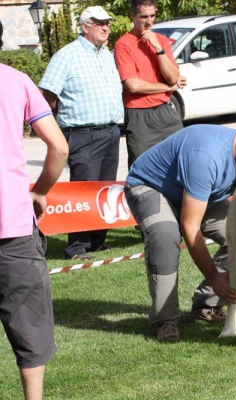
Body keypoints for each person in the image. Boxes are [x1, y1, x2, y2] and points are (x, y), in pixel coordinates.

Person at [124, 124, 236, 342]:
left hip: (201, 196)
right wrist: (214, 276)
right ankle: (166, 320)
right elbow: (190, 226)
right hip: (151, 187)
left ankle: (206, 306)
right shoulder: (206, 157)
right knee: (165, 235)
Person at [0, 20, 69, 399]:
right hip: (12, 221)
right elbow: (59, 147)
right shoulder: (17, 81)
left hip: (13, 222)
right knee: (28, 325)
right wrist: (40, 190)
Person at [38, 6, 123, 260]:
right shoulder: (67, 56)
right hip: (83, 134)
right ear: (85, 26)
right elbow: (47, 96)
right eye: (99, 23)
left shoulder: (106, 54)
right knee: (82, 190)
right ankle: (76, 246)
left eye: (107, 22)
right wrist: (52, 128)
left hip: (110, 131)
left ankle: (97, 241)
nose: (106, 27)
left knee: (104, 188)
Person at [114, 0, 187, 168]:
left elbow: (172, 77)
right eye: (143, 17)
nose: (149, 22)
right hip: (139, 115)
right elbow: (133, 85)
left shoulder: (160, 40)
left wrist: (158, 48)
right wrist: (168, 88)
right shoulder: (123, 44)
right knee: (143, 168)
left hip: (166, 110)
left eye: (152, 16)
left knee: (180, 161)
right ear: (133, 16)